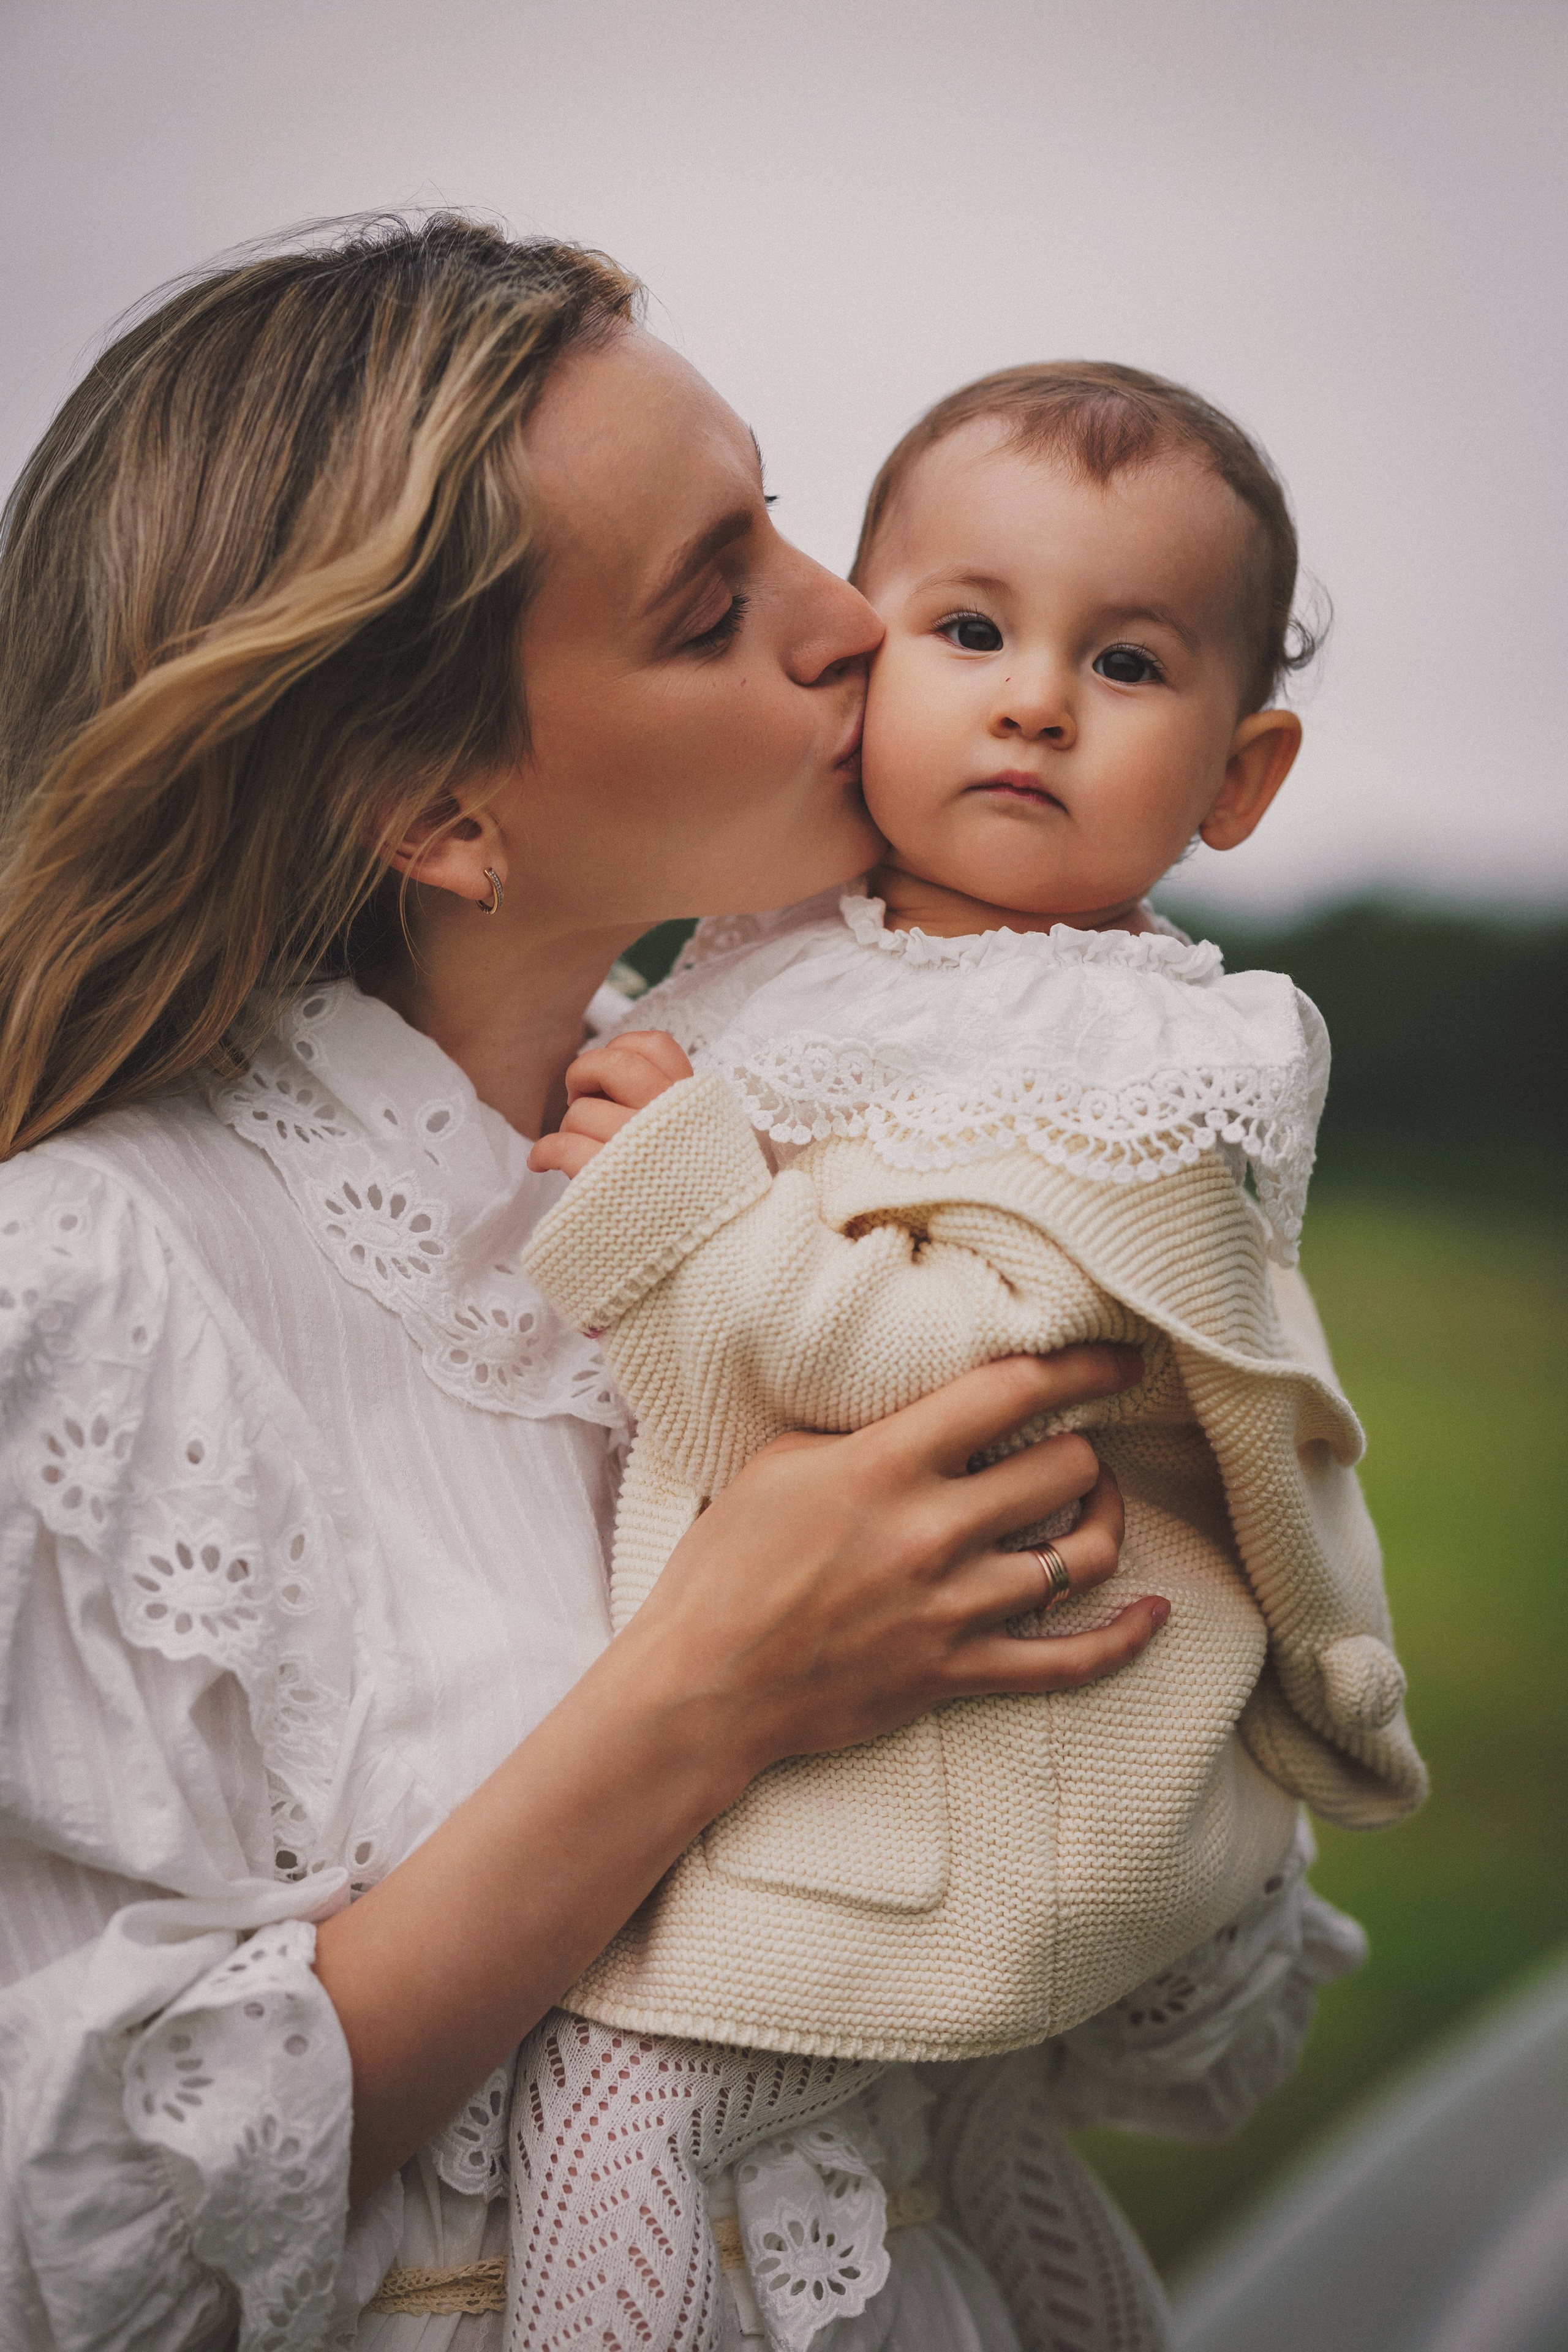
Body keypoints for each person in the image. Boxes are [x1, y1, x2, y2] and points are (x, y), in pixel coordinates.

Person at [0, 218, 1342, 2352]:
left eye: (791, 523)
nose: (860, 627)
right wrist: (708, 1687)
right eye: (721, 606)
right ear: (442, 811)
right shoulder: (97, 1285)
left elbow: (1169, 2045)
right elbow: (77, 2267)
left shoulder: (876, 1138)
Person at [518, 363, 1425, 2084]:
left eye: (1128, 662)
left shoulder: (1126, 1064)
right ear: (866, 657)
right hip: (805, 1726)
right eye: (970, 631)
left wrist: (690, 1205)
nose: (1036, 704)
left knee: (626, 2121)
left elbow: (986, 1376)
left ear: (1241, 777)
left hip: (974, 1773)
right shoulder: (783, 952)